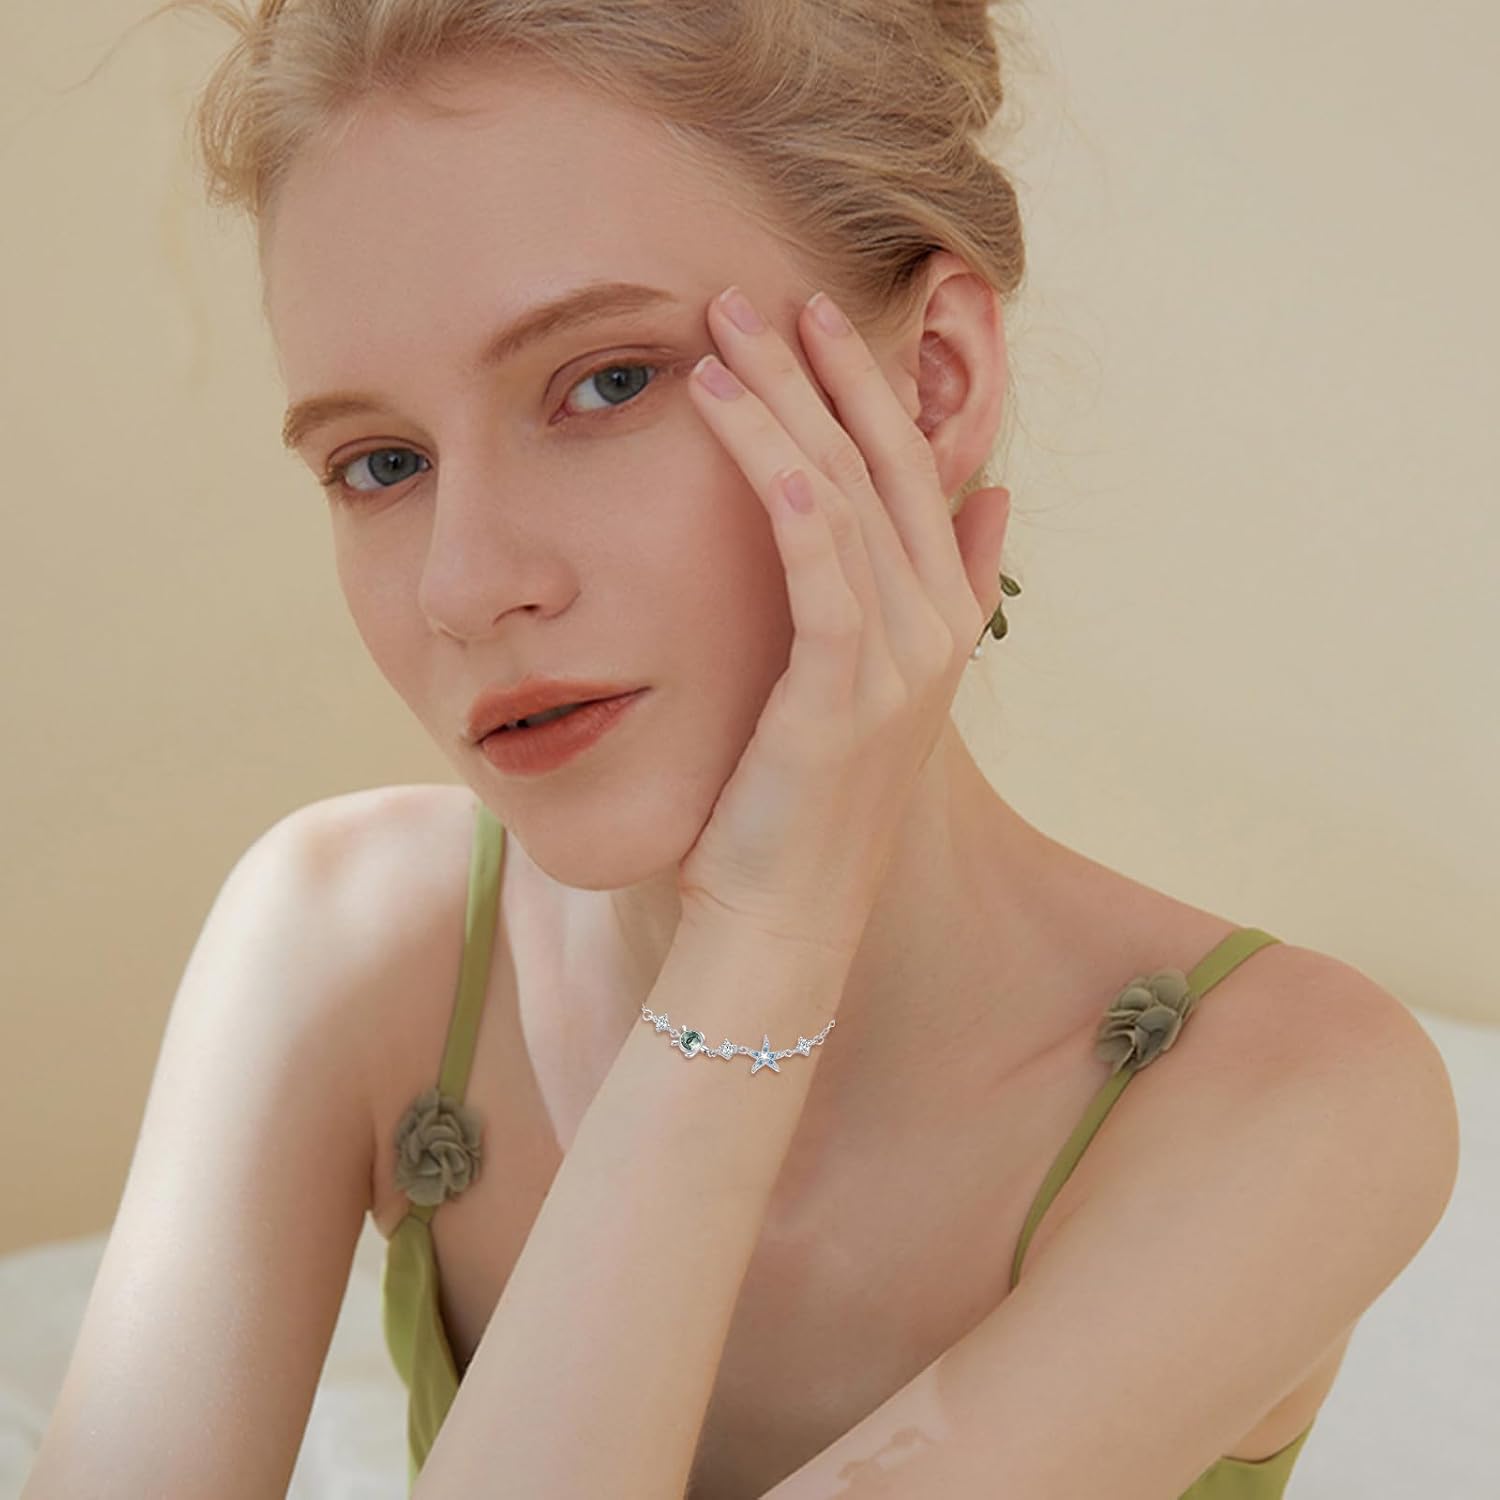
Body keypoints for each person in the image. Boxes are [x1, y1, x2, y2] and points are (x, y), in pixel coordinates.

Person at [23, 4, 1459, 1499]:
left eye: (606, 382)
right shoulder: (347, 940)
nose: (464, 584)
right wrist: (754, 950)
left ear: (930, 384)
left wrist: (769, 935)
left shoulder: (1293, 1100)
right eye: (380, 464)